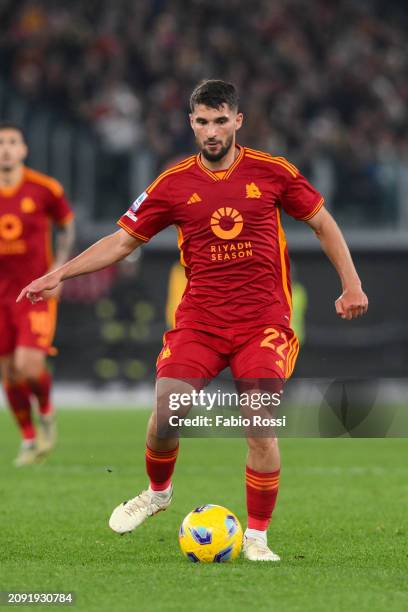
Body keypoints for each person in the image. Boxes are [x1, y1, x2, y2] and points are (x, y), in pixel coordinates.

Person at [17, 80, 368, 560]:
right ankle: (159, 492)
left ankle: (257, 538)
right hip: (200, 321)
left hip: (262, 322)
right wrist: (60, 273)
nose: (211, 131)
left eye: (221, 120)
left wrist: (351, 284)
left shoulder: (272, 172)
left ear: (238, 121)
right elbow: (122, 242)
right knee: (166, 412)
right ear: (191, 123)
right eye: (202, 121)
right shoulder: (173, 183)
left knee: (260, 424)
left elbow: (323, 222)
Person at [0, 122, 75, 466]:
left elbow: (67, 225)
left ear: (24, 149)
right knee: (8, 372)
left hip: (34, 292)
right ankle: (29, 439)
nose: (6, 149)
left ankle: (46, 411)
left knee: (28, 366)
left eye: (12, 142)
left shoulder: (44, 189)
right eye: (1, 143)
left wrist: (57, 269)